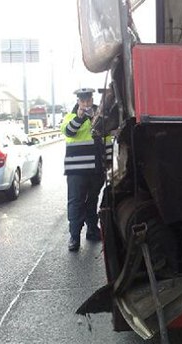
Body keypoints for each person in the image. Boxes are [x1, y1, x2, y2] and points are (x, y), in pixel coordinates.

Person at [60, 88, 107, 251]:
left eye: (88, 100)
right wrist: (80, 118)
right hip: (77, 170)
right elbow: (69, 132)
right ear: (78, 101)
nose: (86, 103)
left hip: (96, 169)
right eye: (83, 101)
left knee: (92, 201)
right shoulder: (71, 117)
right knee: (76, 203)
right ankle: (74, 237)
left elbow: (107, 138)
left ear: (92, 99)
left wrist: (109, 164)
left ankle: (93, 231)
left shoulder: (99, 117)